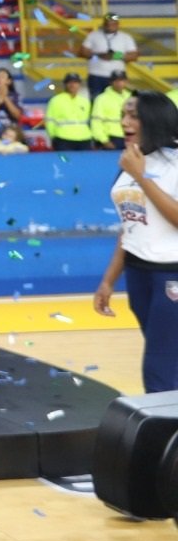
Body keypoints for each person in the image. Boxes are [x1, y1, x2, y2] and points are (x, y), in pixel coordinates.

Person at [95, 90, 178, 394]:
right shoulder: (131, 162)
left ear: (153, 119)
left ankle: (163, 437)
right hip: (138, 274)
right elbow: (129, 226)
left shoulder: (173, 162)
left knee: (158, 369)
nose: (124, 122)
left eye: (133, 115)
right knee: (169, 363)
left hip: (171, 275)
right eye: (123, 115)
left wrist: (143, 177)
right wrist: (108, 281)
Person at [83, 14, 137, 98]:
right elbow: (82, 52)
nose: (110, 26)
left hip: (118, 77)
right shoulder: (93, 35)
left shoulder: (125, 37)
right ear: (104, 24)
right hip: (97, 76)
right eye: (108, 23)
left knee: (118, 100)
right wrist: (98, 55)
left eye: (113, 24)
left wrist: (116, 56)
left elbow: (134, 55)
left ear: (117, 24)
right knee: (96, 100)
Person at [45, 73, 93, 151]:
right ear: (65, 84)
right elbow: (50, 121)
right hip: (63, 138)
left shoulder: (85, 101)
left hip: (84, 138)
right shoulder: (56, 100)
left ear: (79, 84)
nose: (72, 85)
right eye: (70, 82)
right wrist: (53, 137)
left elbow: (88, 121)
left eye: (75, 82)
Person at [92, 70, 133, 149]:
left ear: (126, 81)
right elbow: (96, 122)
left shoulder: (131, 97)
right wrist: (104, 140)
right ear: (111, 82)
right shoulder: (101, 98)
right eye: (116, 80)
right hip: (111, 138)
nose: (119, 83)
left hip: (129, 136)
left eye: (121, 80)